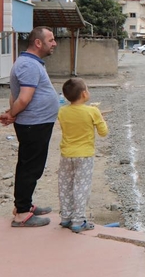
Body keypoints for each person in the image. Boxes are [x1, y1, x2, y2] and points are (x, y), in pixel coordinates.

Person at [0, 26, 59, 227]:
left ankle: (24, 205)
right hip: (34, 124)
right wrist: (12, 114)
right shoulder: (28, 65)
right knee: (30, 168)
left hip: (36, 123)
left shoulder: (29, 63)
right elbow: (23, 98)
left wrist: (11, 111)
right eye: (51, 40)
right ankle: (22, 213)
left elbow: (15, 95)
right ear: (38, 43)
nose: (54, 43)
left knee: (30, 166)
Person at [57, 78, 108, 233]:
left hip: (66, 154)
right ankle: (78, 221)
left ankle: (66, 218)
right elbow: (103, 132)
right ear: (85, 94)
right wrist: (99, 117)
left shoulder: (62, 111)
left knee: (65, 185)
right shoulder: (92, 111)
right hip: (84, 156)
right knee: (81, 187)